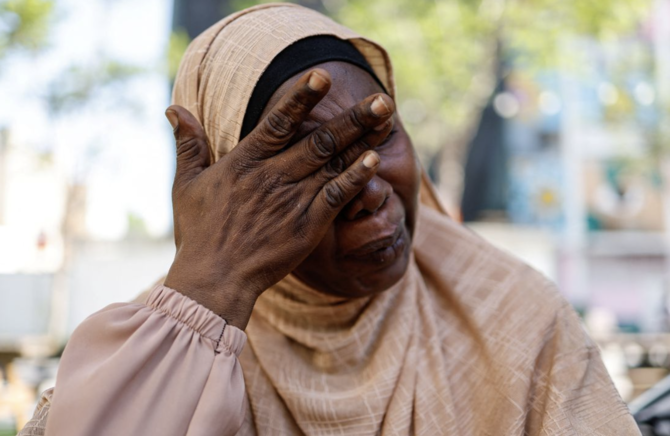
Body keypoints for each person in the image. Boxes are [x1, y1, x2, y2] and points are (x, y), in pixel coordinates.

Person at [19, 3, 641, 435]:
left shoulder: (514, 318)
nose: (368, 188)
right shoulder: (168, 349)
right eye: (313, 162)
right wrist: (208, 291)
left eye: (381, 132)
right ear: (229, 203)